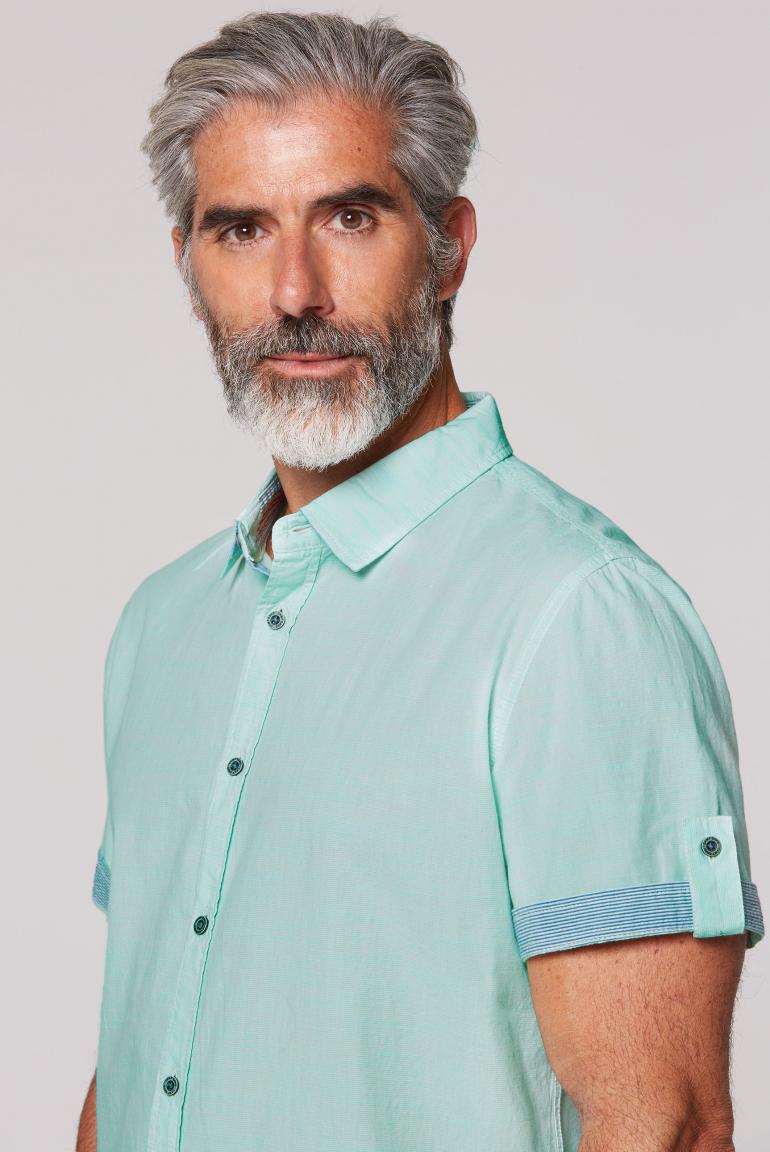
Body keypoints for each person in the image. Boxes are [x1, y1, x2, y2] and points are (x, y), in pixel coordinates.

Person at [77, 12, 764, 1152]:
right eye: (241, 229)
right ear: (188, 266)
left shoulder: (576, 617)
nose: (294, 291)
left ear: (449, 247)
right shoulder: (164, 623)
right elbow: (142, 1057)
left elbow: (667, 1125)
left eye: (350, 217)